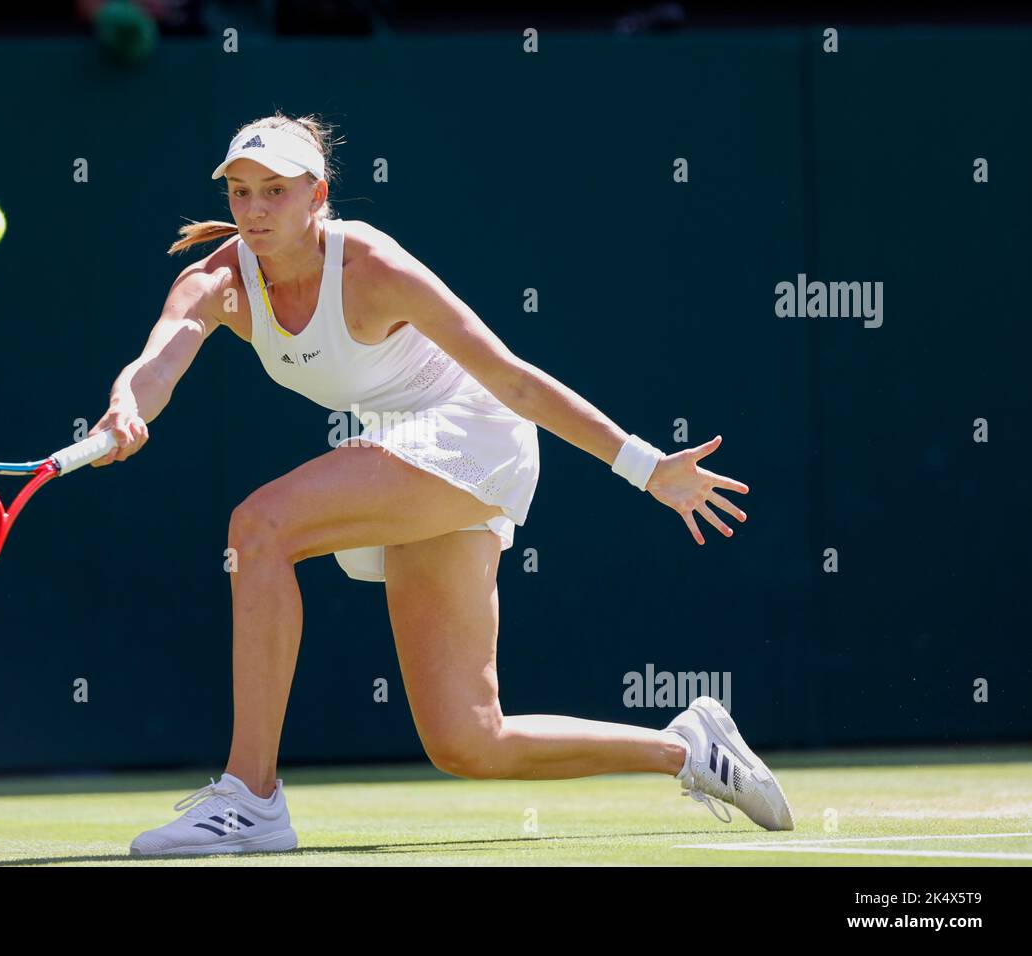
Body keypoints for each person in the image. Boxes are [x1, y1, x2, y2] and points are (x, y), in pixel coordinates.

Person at [90, 112, 793, 857]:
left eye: (273, 191)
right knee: (468, 740)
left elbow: (513, 380)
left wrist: (647, 467)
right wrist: (127, 403)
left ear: (316, 194)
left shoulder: (374, 268)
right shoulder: (217, 280)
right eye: (239, 192)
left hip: (473, 432)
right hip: (401, 446)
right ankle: (689, 749)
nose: (254, 211)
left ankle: (249, 797)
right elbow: (158, 362)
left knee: (259, 527)